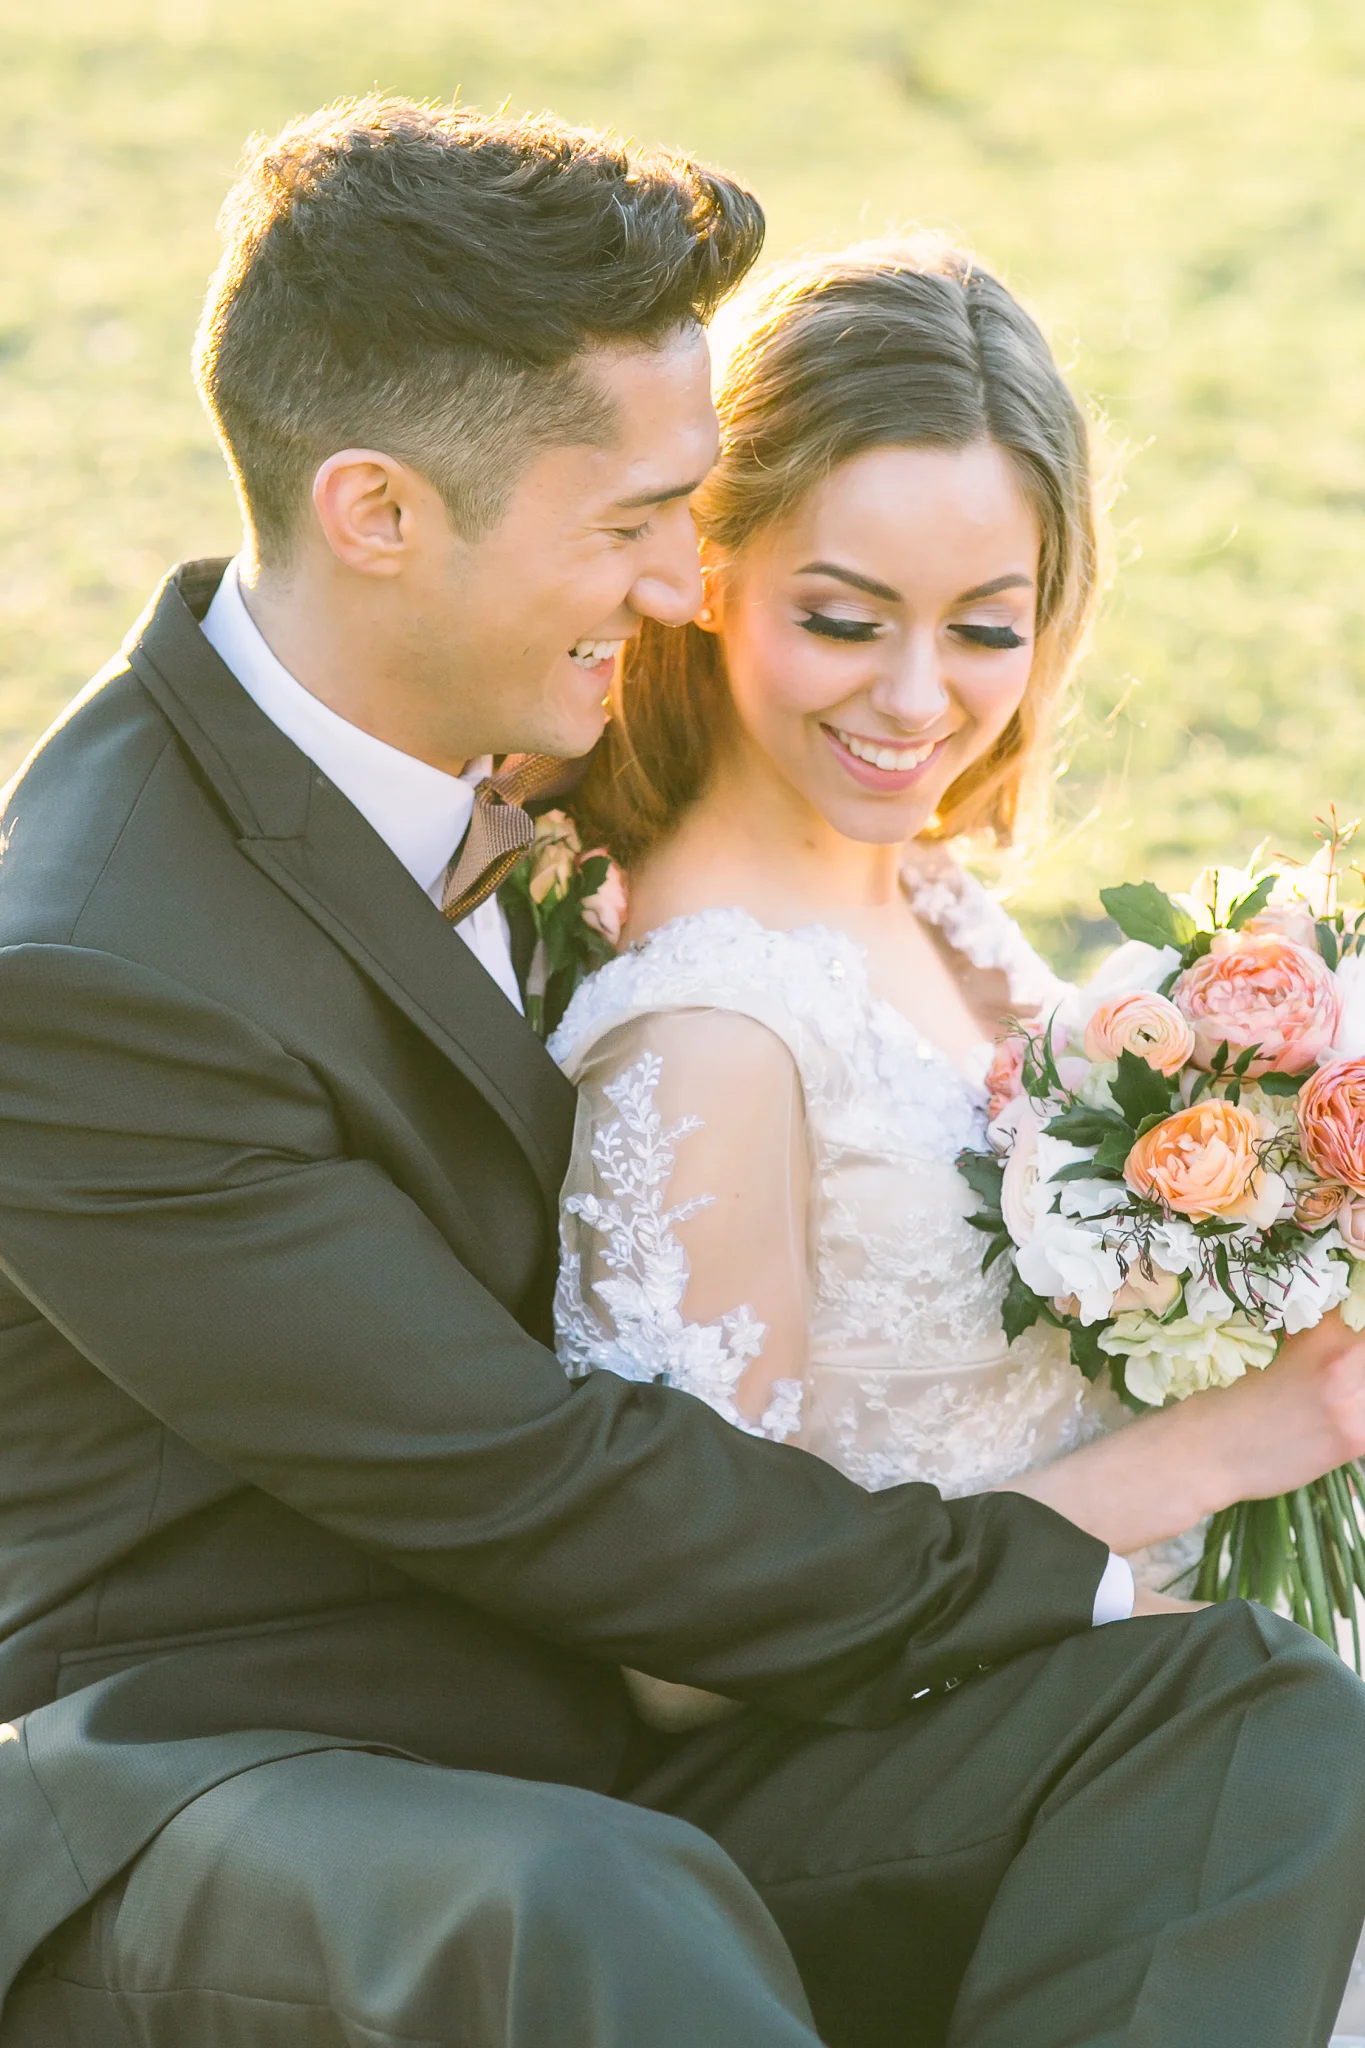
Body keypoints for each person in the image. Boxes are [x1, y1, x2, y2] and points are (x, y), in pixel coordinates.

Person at [0, 95, 1360, 2048]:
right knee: (593, 1902)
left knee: (1236, 1711)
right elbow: (542, 1482)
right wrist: (1074, 1539)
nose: (676, 586)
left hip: (604, 1747)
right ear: (378, 513)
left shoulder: (522, 739)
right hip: (233, 1776)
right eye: (635, 525)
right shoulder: (90, 977)